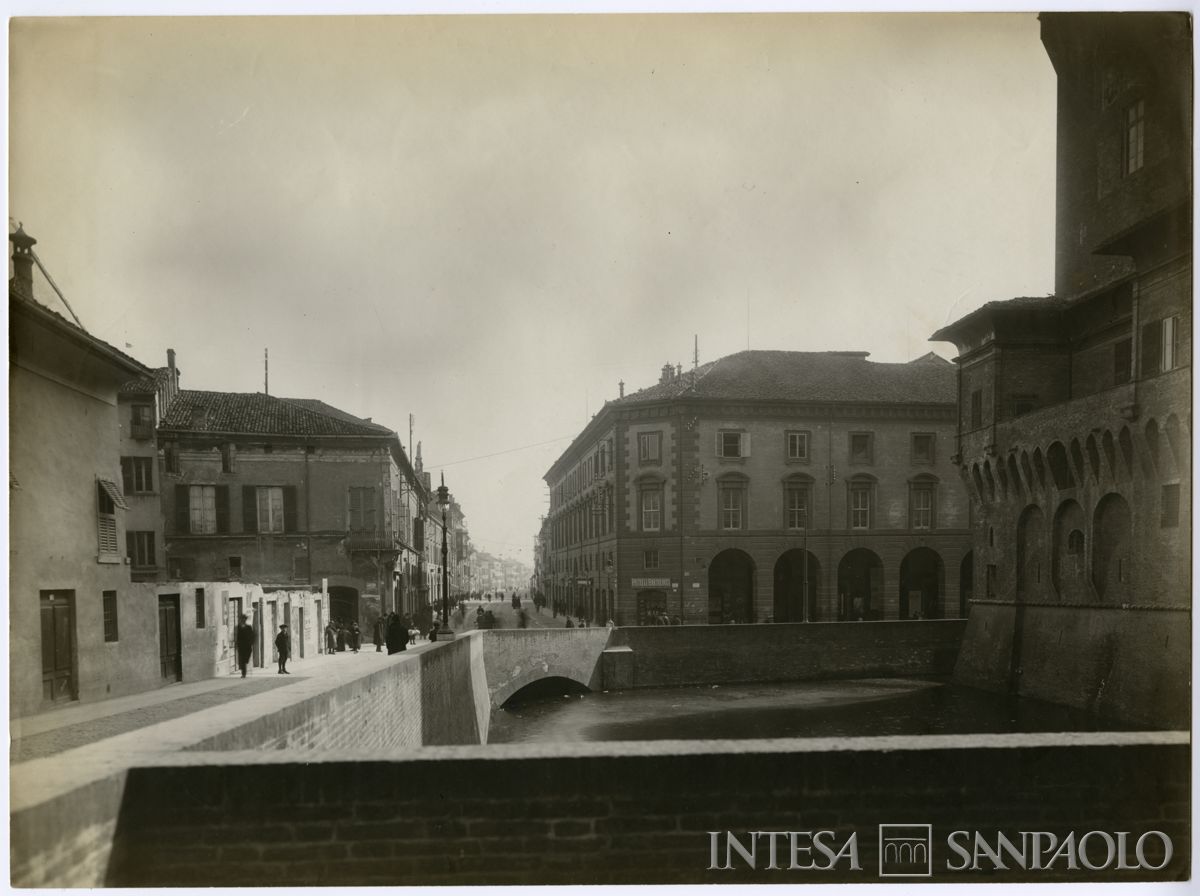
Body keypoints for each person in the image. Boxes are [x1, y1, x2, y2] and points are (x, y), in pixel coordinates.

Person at [235, 613, 255, 678]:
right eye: (242, 619)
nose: (243, 620)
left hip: (248, 646)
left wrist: (251, 642)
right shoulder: (238, 627)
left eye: (244, 619)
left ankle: (245, 665)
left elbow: (252, 635)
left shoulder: (249, 627)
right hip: (241, 646)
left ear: (245, 620)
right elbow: (237, 636)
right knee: (242, 660)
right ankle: (244, 673)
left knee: (246, 659)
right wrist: (236, 644)